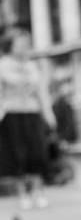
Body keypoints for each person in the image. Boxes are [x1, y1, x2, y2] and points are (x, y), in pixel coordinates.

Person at [0, 28, 56, 210]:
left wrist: (48, 114)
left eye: (26, 44)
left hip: (32, 113)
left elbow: (42, 92)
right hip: (11, 114)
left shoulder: (33, 66)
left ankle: (38, 191)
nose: (24, 48)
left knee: (37, 154)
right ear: (11, 46)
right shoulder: (3, 65)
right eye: (20, 44)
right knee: (17, 156)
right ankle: (22, 193)